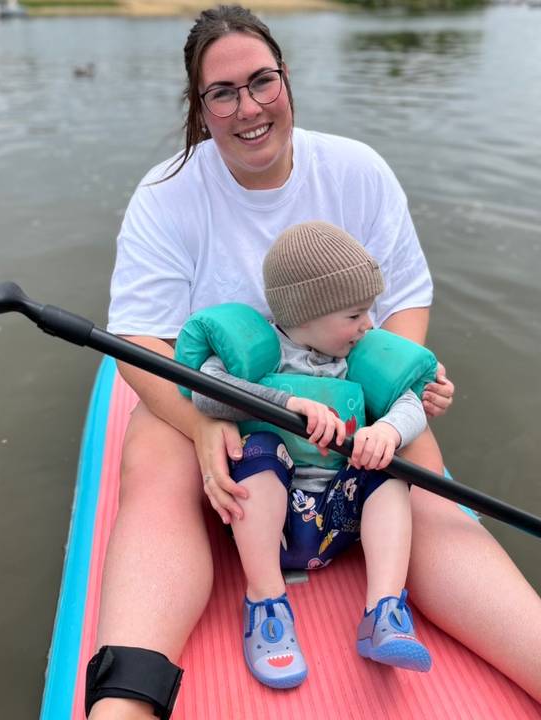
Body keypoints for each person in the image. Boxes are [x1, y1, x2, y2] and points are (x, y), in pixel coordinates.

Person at [90, 5, 541, 719]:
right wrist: (200, 424)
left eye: (261, 81)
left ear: (286, 78)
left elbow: (404, 301)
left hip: (342, 391)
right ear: (199, 107)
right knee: (155, 472)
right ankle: (126, 702)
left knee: (423, 483)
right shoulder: (167, 194)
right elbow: (138, 339)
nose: (248, 108)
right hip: (218, 393)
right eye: (221, 93)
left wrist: (386, 400)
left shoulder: (357, 171)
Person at [178, 221, 437, 688]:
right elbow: (206, 393)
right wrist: (286, 404)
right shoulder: (259, 353)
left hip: (338, 519)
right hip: (269, 528)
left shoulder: (355, 355)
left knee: (391, 472)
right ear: (306, 313)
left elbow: (411, 405)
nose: (368, 325)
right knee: (260, 448)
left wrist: (388, 432)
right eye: (355, 315)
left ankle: (383, 611)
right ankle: (265, 602)